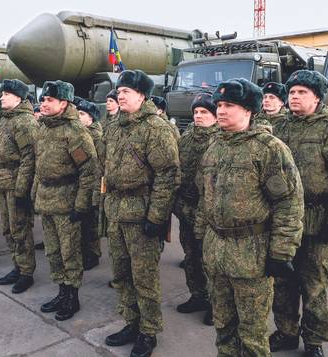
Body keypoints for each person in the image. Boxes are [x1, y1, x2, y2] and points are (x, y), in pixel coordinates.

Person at [194, 78, 304, 356]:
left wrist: (282, 253)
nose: (220, 110)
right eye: (219, 105)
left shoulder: (269, 149)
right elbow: (203, 195)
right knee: (223, 325)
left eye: (229, 105)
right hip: (216, 252)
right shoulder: (214, 145)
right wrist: (201, 237)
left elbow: (289, 203)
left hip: (251, 256)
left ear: (249, 111)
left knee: (253, 333)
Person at [270, 70, 328, 357]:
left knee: (314, 286)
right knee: (282, 283)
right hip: (284, 223)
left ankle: (314, 341)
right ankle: (285, 332)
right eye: (292, 92)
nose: (294, 97)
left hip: (318, 220)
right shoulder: (280, 127)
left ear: (317, 97)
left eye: (302, 93)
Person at [103, 70, 180, 357]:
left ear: (142, 95)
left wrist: (156, 218)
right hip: (116, 212)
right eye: (119, 91)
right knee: (121, 274)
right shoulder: (114, 126)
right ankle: (131, 322)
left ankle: (149, 331)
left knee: (144, 278)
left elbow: (168, 175)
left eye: (127, 92)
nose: (120, 95)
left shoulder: (155, 128)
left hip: (141, 213)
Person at [33, 80, 97, 321]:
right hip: (47, 199)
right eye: (43, 99)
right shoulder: (44, 128)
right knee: (53, 251)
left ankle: (72, 296)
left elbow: (88, 171)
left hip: (67, 201)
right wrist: (34, 193)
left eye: (49, 100)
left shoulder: (75, 132)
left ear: (64, 102)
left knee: (70, 252)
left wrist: (81, 205)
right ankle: (61, 291)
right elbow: (39, 166)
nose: (44, 103)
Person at [174, 93, 218, 326]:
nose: (199, 116)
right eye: (196, 112)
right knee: (190, 255)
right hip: (186, 207)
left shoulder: (220, 139)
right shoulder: (188, 137)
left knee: (208, 259)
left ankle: (215, 304)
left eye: (205, 112)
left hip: (208, 211)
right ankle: (197, 295)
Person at [0, 79, 38, 294]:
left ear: (19, 98)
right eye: (1, 94)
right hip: (3, 182)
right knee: (8, 229)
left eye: (6, 94)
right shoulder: (6, 120)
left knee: (20, 229)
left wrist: (22, 190)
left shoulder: (24, 122)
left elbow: (29, 158)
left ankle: (26, 271)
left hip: (15, 183)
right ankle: (17, 266)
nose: (1, 97)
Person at [76, 99, 105, 271]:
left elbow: (97, 166)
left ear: (91, 118)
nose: (78, 117)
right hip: (81, 184)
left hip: (92, 184)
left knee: (91, 223)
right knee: (83, 222)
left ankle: (93, 254)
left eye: (82, 114)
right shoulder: (81, 134)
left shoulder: (96, 138)